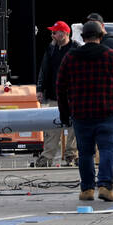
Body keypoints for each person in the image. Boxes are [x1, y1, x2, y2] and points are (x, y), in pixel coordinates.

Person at [56, 20, 113, 202]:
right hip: (108, 112)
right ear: (101, 36)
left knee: (85, 153)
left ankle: (87, 189)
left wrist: (64, 113)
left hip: (81, 113)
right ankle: (105, 186)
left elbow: (60, 87)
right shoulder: (111, 56)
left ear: (82, 37)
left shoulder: (71, 57)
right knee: (107, 149)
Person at [88, 12, 113, 187]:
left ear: (102, 27)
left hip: (109, 99)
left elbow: (110, 73)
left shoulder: (108, 44)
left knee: (108, 138)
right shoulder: (109, 43)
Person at [35, 21, 77, 167]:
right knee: (52, 128)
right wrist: (40, 89)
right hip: (54, 95)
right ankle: (47, 157)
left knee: (73, 129)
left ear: (64, 33)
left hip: (72, 96)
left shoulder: (75, 48)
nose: (52, 35)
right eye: (52, 32)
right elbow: (44, 69)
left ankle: (71, 156)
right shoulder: (51, 48)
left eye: (55, 32)